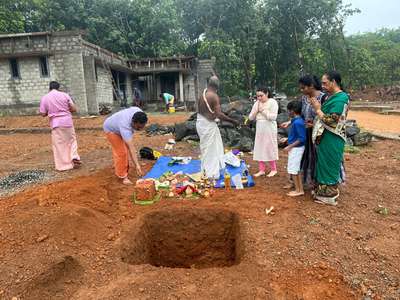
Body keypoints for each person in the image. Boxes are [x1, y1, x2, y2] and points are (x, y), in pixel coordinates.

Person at [310, 71, 349, 205]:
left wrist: (317, 109)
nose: (322, 85)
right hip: (325, 136)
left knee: (330, 164)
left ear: (334, 82)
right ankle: (321, 192)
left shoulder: (341, 98)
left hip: (333, 137)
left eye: (325, 83)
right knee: (323, 164)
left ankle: (330, 196)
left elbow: (332, 120)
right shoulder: (329, 97)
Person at [196, 76, 239, 179]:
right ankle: (211, 174)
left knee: (210, 148)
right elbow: (218, 115)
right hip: (208, 126)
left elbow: (208, 111)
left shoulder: (203, 94)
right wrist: (233, 121)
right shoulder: (214, 96)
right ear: (217, 86)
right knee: (211, 150)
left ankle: (207, 170)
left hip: (201, 124)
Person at [39, 81, 81, 171]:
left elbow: (42, 113)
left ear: (49, 88)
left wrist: (49, 111)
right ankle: (74, 156)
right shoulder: (65, 95)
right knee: (72, 140)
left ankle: (64, 166)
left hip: (56, 123)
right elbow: (73, 109)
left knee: (59, 145)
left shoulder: (45, 98)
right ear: (58, 88)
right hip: (67, 122)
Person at [103, 107, 148, 185]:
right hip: (111, 129)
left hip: (118, 125)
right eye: (138, 127)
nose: (140, 129)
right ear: (133, 122)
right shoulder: (125, 126)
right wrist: (137, 165)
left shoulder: (140, 113)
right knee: (122, 152)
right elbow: (131, 148)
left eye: (142, 127)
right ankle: (122, 177)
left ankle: (123, 167)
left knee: (126, 148)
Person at [248, 86, 279, 177]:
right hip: (260, 127)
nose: (259, 98)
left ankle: (274, 169)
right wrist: (256, 110)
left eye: (261, 95)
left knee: (269, 146)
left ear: (267, 94)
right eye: (258, 96)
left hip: (269, 127)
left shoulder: (272, 102)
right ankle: (261, 169)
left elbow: (273, 117)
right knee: (260, 147)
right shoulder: (257, 103)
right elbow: (250, 117)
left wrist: (263, 111)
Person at [284, 101, 306, 197]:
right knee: (294, 169)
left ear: (293, 111)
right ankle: (298, 189)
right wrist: (287, 140)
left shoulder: (298, 123)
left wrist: (290, 146)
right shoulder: (296, 121)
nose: (288, 112)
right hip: (295, 148)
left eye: (289, 110)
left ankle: (299, 190)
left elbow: (302, 138)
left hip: (296, 149)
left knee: (294, 170)